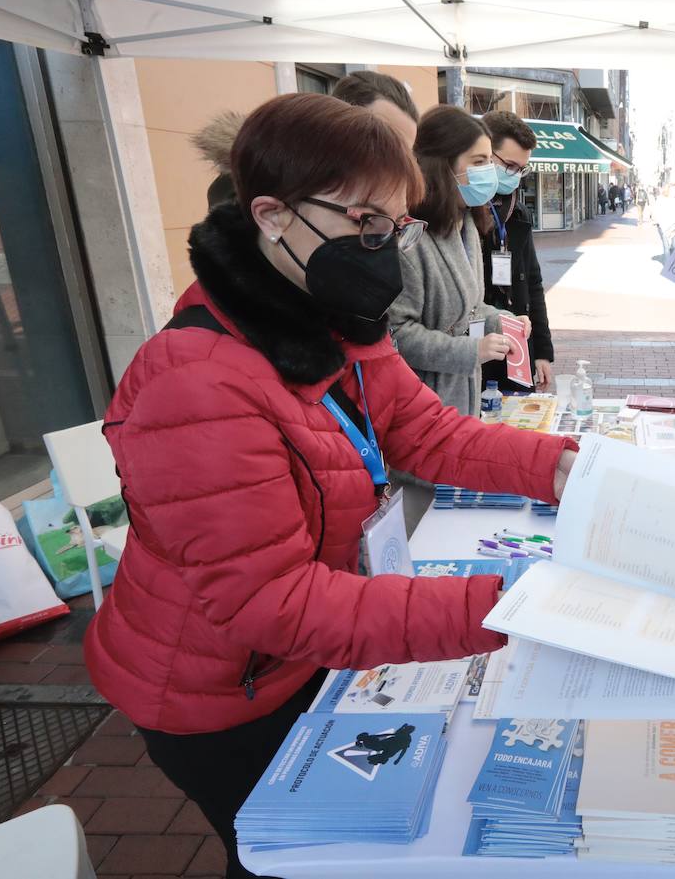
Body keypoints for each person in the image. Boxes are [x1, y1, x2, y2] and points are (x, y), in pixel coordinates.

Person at [84, 93, 577, 879]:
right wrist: (509, 603)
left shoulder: (330, 312)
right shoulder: (194, 382)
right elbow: (273, 600)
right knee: (291, 859)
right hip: (212, 693)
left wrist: (558, 466)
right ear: (273, 215)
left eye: (396, 224)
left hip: (290, 660)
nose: (384, 248)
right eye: (366, 224)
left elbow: (425, 430)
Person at [389, 105, 531, 529]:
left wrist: (501, 320)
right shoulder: (410, 238)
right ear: (444, 165)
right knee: (424, 525)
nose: (490, 172)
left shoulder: (466, 224)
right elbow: (397, 334)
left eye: (491, 160)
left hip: (459, 402)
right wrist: (471, 349)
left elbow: (471, 306)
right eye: (480, 162)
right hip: (420, 409)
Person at [191, 69, 419, 210]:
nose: (397, 163)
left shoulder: (383, 213)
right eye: (380, 141)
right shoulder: (245, 200)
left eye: (406, 154)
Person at [478, 110, 555, 392]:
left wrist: (543, 351)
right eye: (509, 166)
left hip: (517, 348)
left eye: (521, 169)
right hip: (475, 350)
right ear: (484, 155)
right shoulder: (459, 213)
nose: (515, 176)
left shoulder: (518, 213)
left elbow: (533, 283)